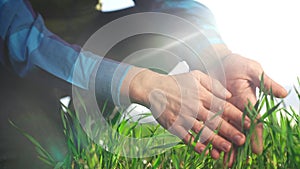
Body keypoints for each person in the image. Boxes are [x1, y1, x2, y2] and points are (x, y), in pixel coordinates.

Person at [0, 0, 287, 168]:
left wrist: (218, 57)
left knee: (152, 29)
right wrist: (137, 82)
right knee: (43, 157)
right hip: (10, 67)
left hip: (76, 39)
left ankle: (88, 139)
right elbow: (21, 41)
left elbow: (176, 5)